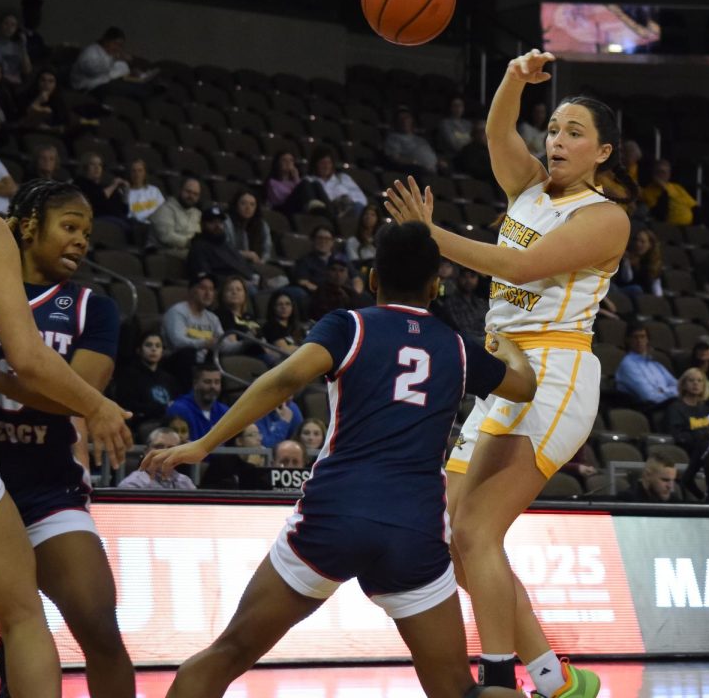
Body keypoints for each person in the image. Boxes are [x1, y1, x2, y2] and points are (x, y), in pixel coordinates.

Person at [140, 221, 533, 698]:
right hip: (415, 528)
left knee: (228, 655)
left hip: (336, 513)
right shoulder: (458, 349)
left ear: (371, 279)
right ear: (436, 286)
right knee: (459, 690)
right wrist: (513, 351)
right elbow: (523, 388)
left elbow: (283, 381)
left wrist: (203, 444)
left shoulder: (349, 325)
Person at [382, 49, 633, 697]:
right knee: (455, 538)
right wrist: (513, 80)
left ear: (603, 153)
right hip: (506, 374)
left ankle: (497, 681)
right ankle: (557, 681)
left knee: (474, 531)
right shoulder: (526, 190)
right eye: (552, 129)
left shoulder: (605, 217)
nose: (556, 139)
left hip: (555, 374)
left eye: (574, 133)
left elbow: (519, 269)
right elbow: (497, 133)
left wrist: (425, 235)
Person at [0, 105, 129, 698]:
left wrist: (2, 384)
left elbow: (78, 394)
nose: (81, 239)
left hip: (46, 490)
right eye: (71, 226)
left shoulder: (91, 308)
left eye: (88, 232)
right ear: (28, 224)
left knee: (98, 629)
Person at [162, 272, 226, 386]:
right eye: (203, 288)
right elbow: (177, 341)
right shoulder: (177, 311)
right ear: (191, 290)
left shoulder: (212, 318)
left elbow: (224, 343)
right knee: (188, 353)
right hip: (178, 361)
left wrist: (246, 343)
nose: (208, 293)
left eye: (211, 289)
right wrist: (204, 343)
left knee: (217, 357)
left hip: (204, 362)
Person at [114, 332, 179, 432]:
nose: (154, 349)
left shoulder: (169, 379)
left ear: (162, 351)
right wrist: (159, 408)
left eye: (158, 346)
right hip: (142, 424)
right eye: (148, 345)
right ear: (139, 350)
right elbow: (128, 406)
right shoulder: (129, 376)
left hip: (168, 422)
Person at [615, 323, 679, 408]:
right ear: (628, 340)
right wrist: (671, 392)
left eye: (642, 337)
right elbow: (649, 397)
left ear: (647, 340)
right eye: (635, 337)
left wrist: (663, 391)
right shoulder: (627, 365)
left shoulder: (654, 364)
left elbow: (679, 386)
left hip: (670, 404)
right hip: (650, 410)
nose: (639, 341)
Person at [167, 363, 230, 442]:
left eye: (217, 382)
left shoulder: (225, 411)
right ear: (195, 383)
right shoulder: (179, 409)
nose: (213, 386)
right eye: (207, 382)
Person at [117, 429, 197, 490]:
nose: (164, 452)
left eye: (171, 448)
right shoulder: (132, 484)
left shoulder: (185, 482)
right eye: (159, 446)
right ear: (146, 451)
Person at [661, 367, 709, 450]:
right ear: (683, 385)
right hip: (684, 450)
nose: (695, 383)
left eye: (699, 381)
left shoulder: (706, 409)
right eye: (691, 380)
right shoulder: (675, 408)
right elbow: (676, 436)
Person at [150, 177, 203, 258]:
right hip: (163, 252)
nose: (191, 196)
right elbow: (166, 237)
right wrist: (191, 242)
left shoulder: (197, 214)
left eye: (195, 194)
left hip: (188, 251)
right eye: (188, 192)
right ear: (180, 190)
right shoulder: (165, 209)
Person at [309, 147, 368, 219]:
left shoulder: (342, 178)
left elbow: (360, 198)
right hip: (330, 212)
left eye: (329, 163)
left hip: (349, 208)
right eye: (322, 163)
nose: (326, 166)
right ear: (315, 164)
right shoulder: (310, 181)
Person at [74, 153, 129, 226]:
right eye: (93, 164)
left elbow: (124, 211)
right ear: (85, 167)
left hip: (116, 219)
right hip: (98, 220)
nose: (97, 167)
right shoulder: (80, 183)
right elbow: (98, 199)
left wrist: (126, 193)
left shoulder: (104, 187)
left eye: (99, 164)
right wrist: (113, 185)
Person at [384, 107, 441, 175]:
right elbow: (394, 158)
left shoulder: (420, 139)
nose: (404, 121)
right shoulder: (393, 138)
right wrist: (414, 162)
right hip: (415, 171)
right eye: (401, 119)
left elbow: (430, 155)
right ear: (396, 122)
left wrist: (438, 162)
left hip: (434, 170)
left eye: (407, 118)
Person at [224, 189, 273, 267]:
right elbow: (223, 250)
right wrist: (244, 254)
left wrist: (262, 261)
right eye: (243, 203)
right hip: (230, 264)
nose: (248, 208)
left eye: (252, 204)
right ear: (236, 205)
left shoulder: (262, 225)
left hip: (255, 266)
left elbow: (267, 250)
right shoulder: (226, 221)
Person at [439, 266, 489, 344]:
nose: (468, 280)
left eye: (472, 276)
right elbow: (463, 331)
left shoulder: (481, 302)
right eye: (464, 276)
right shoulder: (451, 303)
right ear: (458, 278)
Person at [640, 159, 697, 226]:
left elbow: (694, 206)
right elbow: (660, 214)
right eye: (659, 171)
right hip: (669, 227)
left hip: (690, 226)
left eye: (665, 172)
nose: (662, 175)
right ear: (654, 173)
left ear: (669, 174)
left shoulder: (677, 187)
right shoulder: (648, 191)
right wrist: (664, 189)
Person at [291, 225, 344, 296]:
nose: (323, 242)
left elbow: (355, 278)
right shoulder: (305, 261)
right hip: (318, 295)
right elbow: (303, 281)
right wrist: (322, 292)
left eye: (327, 239)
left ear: (332, 242)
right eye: (319, 238)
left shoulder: (341, 258)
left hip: (342, 293)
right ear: (313, 240)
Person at [0, 13, 31, 85]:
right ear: (0, 25)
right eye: (6, 23)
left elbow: (27, 70)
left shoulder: (18, 47)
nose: (9, 27)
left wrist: (23, 47)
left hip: (16, 84)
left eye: (13, 25)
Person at [614, 228, 663, 297]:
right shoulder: (623, 257)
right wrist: (626, 262)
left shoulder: (652, 264)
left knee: (637, 289)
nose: (637, 244)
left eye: (642, 242)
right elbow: (626, 279)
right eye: (636, 240)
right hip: (621, 290)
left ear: (650, 245)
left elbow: (656, 288)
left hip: (641, 296)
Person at [262, 290, 307, 355]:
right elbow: (284, 349)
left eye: (288, 304)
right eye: (280, 304)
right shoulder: (270, 327)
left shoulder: (296, 326)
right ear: (273, 307)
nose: (284, 307)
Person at [126, 158, 164, 223]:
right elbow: (130, 216)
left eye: (140, 171)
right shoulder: (127, 193)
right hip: (140, 226)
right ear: (130, 173)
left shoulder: (154, 190)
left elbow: (163, 209)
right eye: (134, 171)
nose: (137, 174)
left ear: (145, 173)